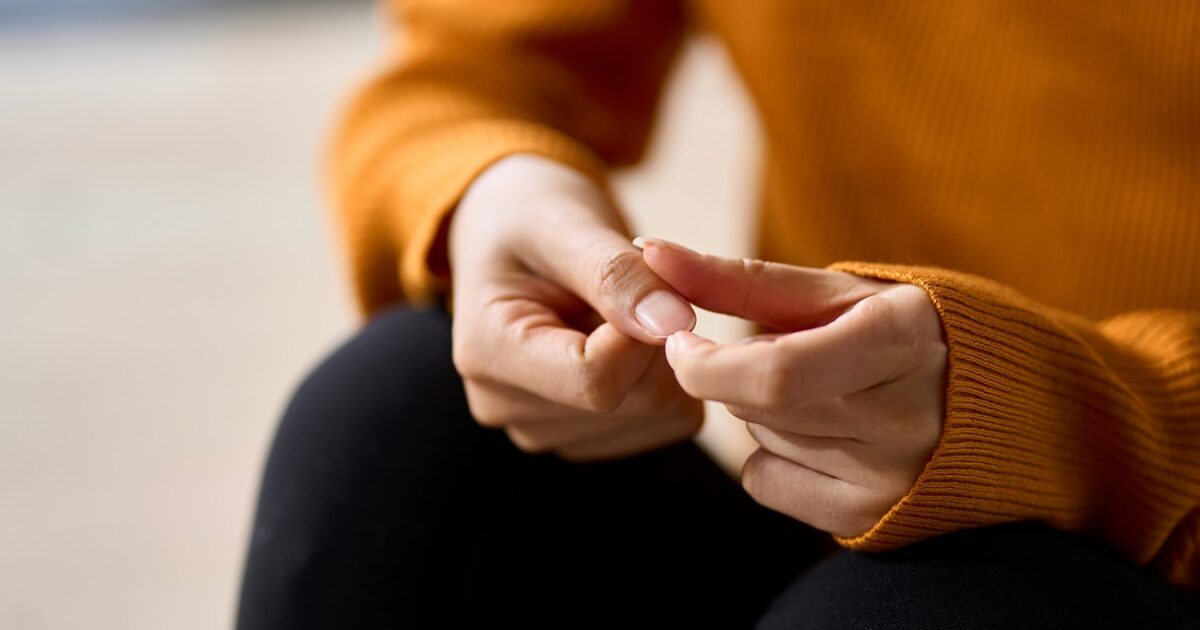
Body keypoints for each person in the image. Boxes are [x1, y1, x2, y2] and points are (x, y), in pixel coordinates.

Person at [237, 1, 1200, 627]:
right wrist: (495, 189)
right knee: (393, 424)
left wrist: (1067, 417)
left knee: (915, 612)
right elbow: (461, 74)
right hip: (838, 509)